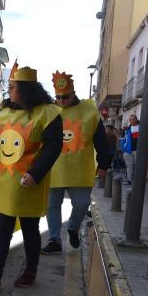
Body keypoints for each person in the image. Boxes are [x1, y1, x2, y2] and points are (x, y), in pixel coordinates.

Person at [0, 61, 63, 293]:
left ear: (26, 89)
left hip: (29, 181)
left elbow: (53, 147)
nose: (8, 91)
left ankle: (30, 270)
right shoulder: (5, 114)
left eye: (12, 87)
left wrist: (35, 173)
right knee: (2, 231)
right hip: (4, 181)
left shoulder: (49, 113)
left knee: (30, 229)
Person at [41, 72, 111, 254]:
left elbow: (101, 140)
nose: (61, 100)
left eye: (65, 97)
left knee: (81, 203)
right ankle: (54, 240)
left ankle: (72, 227)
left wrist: (104, 163)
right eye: (58, 97)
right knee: (51, 205)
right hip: (53, 168)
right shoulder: (48, 111)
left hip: (79, 169)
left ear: (73, 93)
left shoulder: (89, 110)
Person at [121, 114, 139, 184]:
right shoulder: (127, 130)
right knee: (129, 166)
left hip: (138, 150)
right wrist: (124, 150)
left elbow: (147, 138)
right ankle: (129, 180)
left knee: (138, 166)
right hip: (128, 151)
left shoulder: (141, 128)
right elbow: (123, 140)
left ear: (136, 120)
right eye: (130, 119)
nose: (131, 120)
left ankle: (137, 180)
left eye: (132, 119)